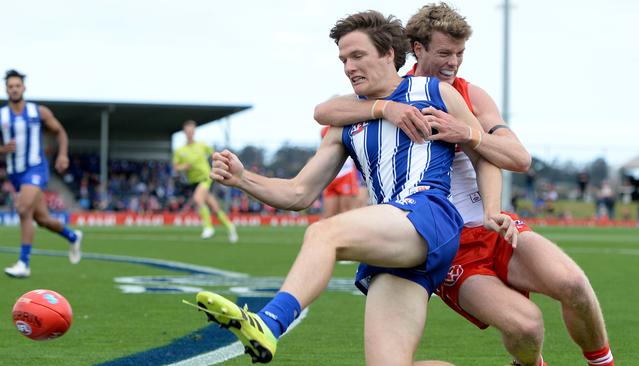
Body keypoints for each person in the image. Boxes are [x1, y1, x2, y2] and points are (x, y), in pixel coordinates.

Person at [188, 11, 516, 365]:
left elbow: (482, 154)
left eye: (357, 55)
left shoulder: (435, 92)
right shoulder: (346, 120)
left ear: (389, 53)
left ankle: (269, 322)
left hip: (430, 214)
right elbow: (299, 193)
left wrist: (491, 210)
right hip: (393, 242)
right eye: (344, 59)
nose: (348, 66)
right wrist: (242, 179)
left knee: (324, 234)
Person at [314, 3, 614, 366]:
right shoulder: (388, 90)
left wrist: (468, 134)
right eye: (444, 53)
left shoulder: (470, 94)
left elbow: (517, 158)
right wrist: (385, 109)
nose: (453, 62)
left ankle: (603, 363)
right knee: (525, 327)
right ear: (418, 49)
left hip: (491, 223)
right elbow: (325, 111)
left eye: (460, 53)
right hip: (445, 240)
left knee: (574, 286)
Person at [1, 69, 83, 278]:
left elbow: (60, 132)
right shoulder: (2, 116)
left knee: (22, 209)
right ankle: (73, 236)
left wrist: (63, 155)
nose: (14, 89)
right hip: (15, 173)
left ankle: (24, 263)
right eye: (10, 86)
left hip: (35, 168)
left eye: (17, 86)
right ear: (6, 89)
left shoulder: (38, 112)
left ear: (24, 88)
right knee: (43, 219)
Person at [173, 120, 238, 242]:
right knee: (214, 207)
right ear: (184, 132)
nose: (190, 133)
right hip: (193, 182)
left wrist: (222, 163)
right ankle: (230, 226)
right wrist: (184, 167)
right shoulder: (180, 150)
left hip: (206, 177)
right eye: (187, 131)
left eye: (192, 131)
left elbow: (215, 154)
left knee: (198, 199)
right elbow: (176, 167)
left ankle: (208, 227)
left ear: (194, 132)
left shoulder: (202, 145)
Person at [319, 125, 359, 218]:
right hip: (330, 176)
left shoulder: (349, 126)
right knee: (328, 215)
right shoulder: (325, 130)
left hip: (346, 174)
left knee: (346, 213)